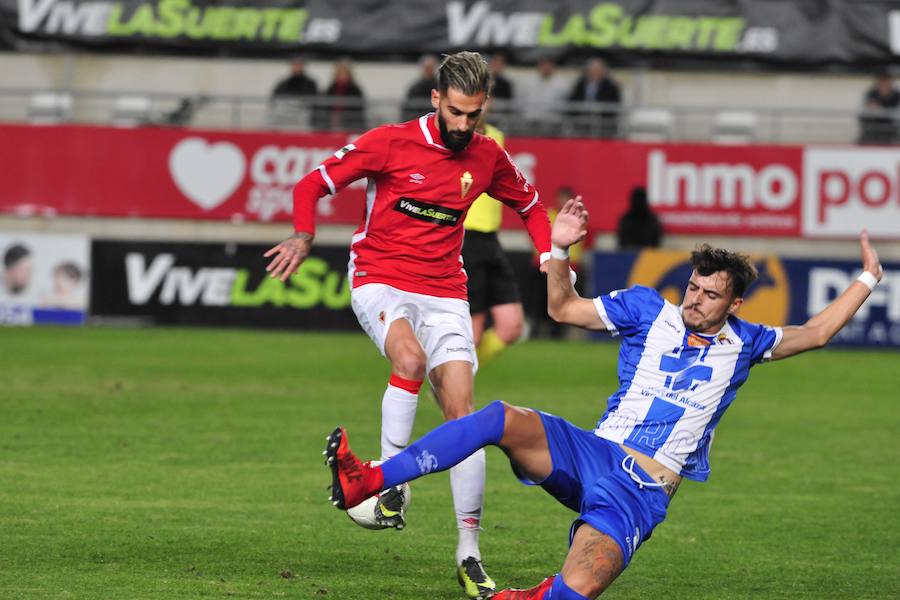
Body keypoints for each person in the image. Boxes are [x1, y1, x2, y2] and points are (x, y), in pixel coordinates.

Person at [324, 198, 884, 599]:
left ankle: (535, 595)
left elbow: (815, 333)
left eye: (711, 295)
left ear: (734, 304)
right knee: (498, 418)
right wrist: (559, 251)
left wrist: (865, 278)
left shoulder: (748, 343)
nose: (695, 300)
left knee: (577, 591)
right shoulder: (647, 310)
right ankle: (371, 480)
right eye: (693, 286)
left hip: (640, 493)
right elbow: (564, 309)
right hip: (591, 453)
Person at [264, 51, 554, 599]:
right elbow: (311, 186)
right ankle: (391, 486)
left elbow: (532, 206)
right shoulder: (389, 142)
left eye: (475, 115)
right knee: (410, 361)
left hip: (445, 289)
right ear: (436, 100)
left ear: (485, 105)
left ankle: (469, 553)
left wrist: (546, 255)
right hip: (380, 276)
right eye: (457, 114)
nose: (465, 126)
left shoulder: (489, 155)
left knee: (465, 418)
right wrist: (303, 234)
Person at [462, 118, 524, 365]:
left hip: (490, 240)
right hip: (464, 236)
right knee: (472, 332)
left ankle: (448, 377)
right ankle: (450, 381)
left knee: (511, 327)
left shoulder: (497, 136)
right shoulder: (454, 137)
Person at [531, 186, 586, 339]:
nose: (562, 201)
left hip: (569, 266)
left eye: (566, 198)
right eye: (561, 197)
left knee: (562, 301)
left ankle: (557, 333)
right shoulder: (548, 215)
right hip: (544, 265)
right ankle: (536, 332)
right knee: (541, 300)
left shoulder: (578, 218)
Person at [567, 57, 621, 138]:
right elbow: (572, 101)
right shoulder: (580, 84)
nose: (595, 73)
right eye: (592, 70)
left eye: (598, 70)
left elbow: (614, 105)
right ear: (587, 71)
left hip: (603, 122)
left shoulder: (611, 87)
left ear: (603, 71)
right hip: (582, 120)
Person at [517, 57, 569, 136]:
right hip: (531, 121)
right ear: (539, 67)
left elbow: (563, 104)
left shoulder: (562, 84)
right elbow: (521, 101)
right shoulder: (528, 82)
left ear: (553, 67)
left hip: (552, 123)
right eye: (544, 66)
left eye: (548, 67)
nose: (546, 69)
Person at [316, 58, 365, 131]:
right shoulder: (331, 88)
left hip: (350, 122)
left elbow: (358, 107)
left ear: (349, 74)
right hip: (331, 121)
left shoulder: (355, 89)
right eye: (339, 73)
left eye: (344, 73)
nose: (341, 76)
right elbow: (325, 105)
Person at [859, 71, 900, 144]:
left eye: (886, 81)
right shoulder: (872, 92)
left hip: (891, 122)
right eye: (881, 81)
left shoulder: (896, 94)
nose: (884, 84)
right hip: (875, 121)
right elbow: (870, 106)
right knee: (865, 118)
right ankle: (868, 140)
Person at [401, 54, 439, 121]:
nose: (428, 70)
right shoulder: (415, 88)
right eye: (427, 68)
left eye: (430, 68)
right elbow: (407, 108)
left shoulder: (440, 87)